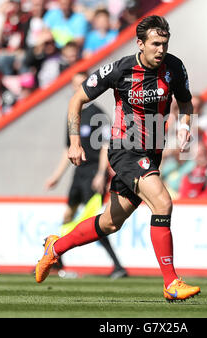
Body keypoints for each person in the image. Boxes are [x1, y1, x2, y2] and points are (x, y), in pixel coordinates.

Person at [35, 14, 201, 302]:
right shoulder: (120, 70)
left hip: (152, 153)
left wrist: (186, 126)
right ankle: (171, 282)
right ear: (140, 43)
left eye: (165, 43)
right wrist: (74, 143)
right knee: (163, 202)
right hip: (125, 149)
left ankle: (55, 248)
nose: (161, 50)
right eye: (155, 44)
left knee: (111, 222)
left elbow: (185, 101)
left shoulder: (174, 67)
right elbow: (77, 99)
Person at [45, 71, 127, 279]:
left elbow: (105, 147)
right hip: (79, 172)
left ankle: (118, 266)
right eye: (73, 84)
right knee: (67, 216)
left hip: (93, 171)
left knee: (95, 221)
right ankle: (56, 261)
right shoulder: (73, 113)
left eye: (79, 84)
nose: (76, 88)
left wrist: (101, 173)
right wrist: (57, 175)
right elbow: (68, 148)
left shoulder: (98, 115)